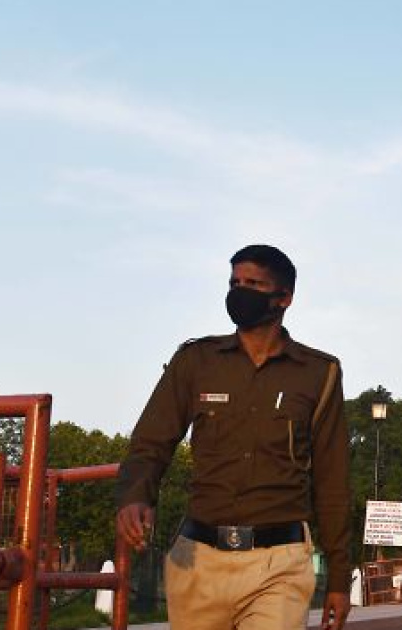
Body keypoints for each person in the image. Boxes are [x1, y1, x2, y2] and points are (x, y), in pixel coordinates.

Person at [116, 244, 352, 630]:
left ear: (284, 298)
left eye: (253, 284)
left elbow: (332, 478)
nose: (239, 291)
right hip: (198, 560)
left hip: (280, 562)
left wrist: (339, 578)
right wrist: (136, 496)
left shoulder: (318, 373)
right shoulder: (196, 362)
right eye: (234, 282)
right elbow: (150, 442)